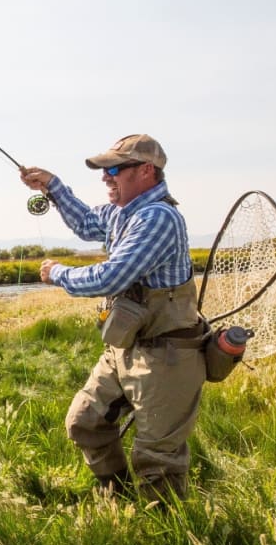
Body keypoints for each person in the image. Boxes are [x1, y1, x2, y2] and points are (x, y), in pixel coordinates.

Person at [19, 134, 205, 502]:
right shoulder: (124, 212)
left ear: (147, 171)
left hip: (164, 356)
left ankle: (167, 541)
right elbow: (88, 223)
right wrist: (53, 187)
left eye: (114, 169)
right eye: (104, 170)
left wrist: (59, 273)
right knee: (84, 423)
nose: (106, 177)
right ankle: (119, 502)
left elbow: (111, 277)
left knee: (156, 459)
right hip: (125, 348)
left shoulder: (157, 218)